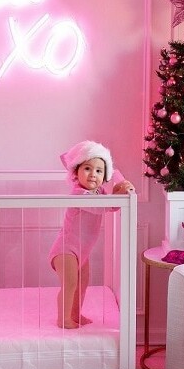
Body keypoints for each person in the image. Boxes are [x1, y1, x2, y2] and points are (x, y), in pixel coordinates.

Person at [49, 141, 134, 329]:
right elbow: (100, 206)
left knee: (82, 283)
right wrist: (117, 194)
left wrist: (121, 186)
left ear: (105, 176)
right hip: (66, 249)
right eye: (87, 168)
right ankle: (63, 319)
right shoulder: (79, 194)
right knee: (70, 283)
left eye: (99, 171)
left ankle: (74, 313)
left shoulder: (100, 192)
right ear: (76, 172)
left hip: (82, 251)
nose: (93, 174)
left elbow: (109, 203)